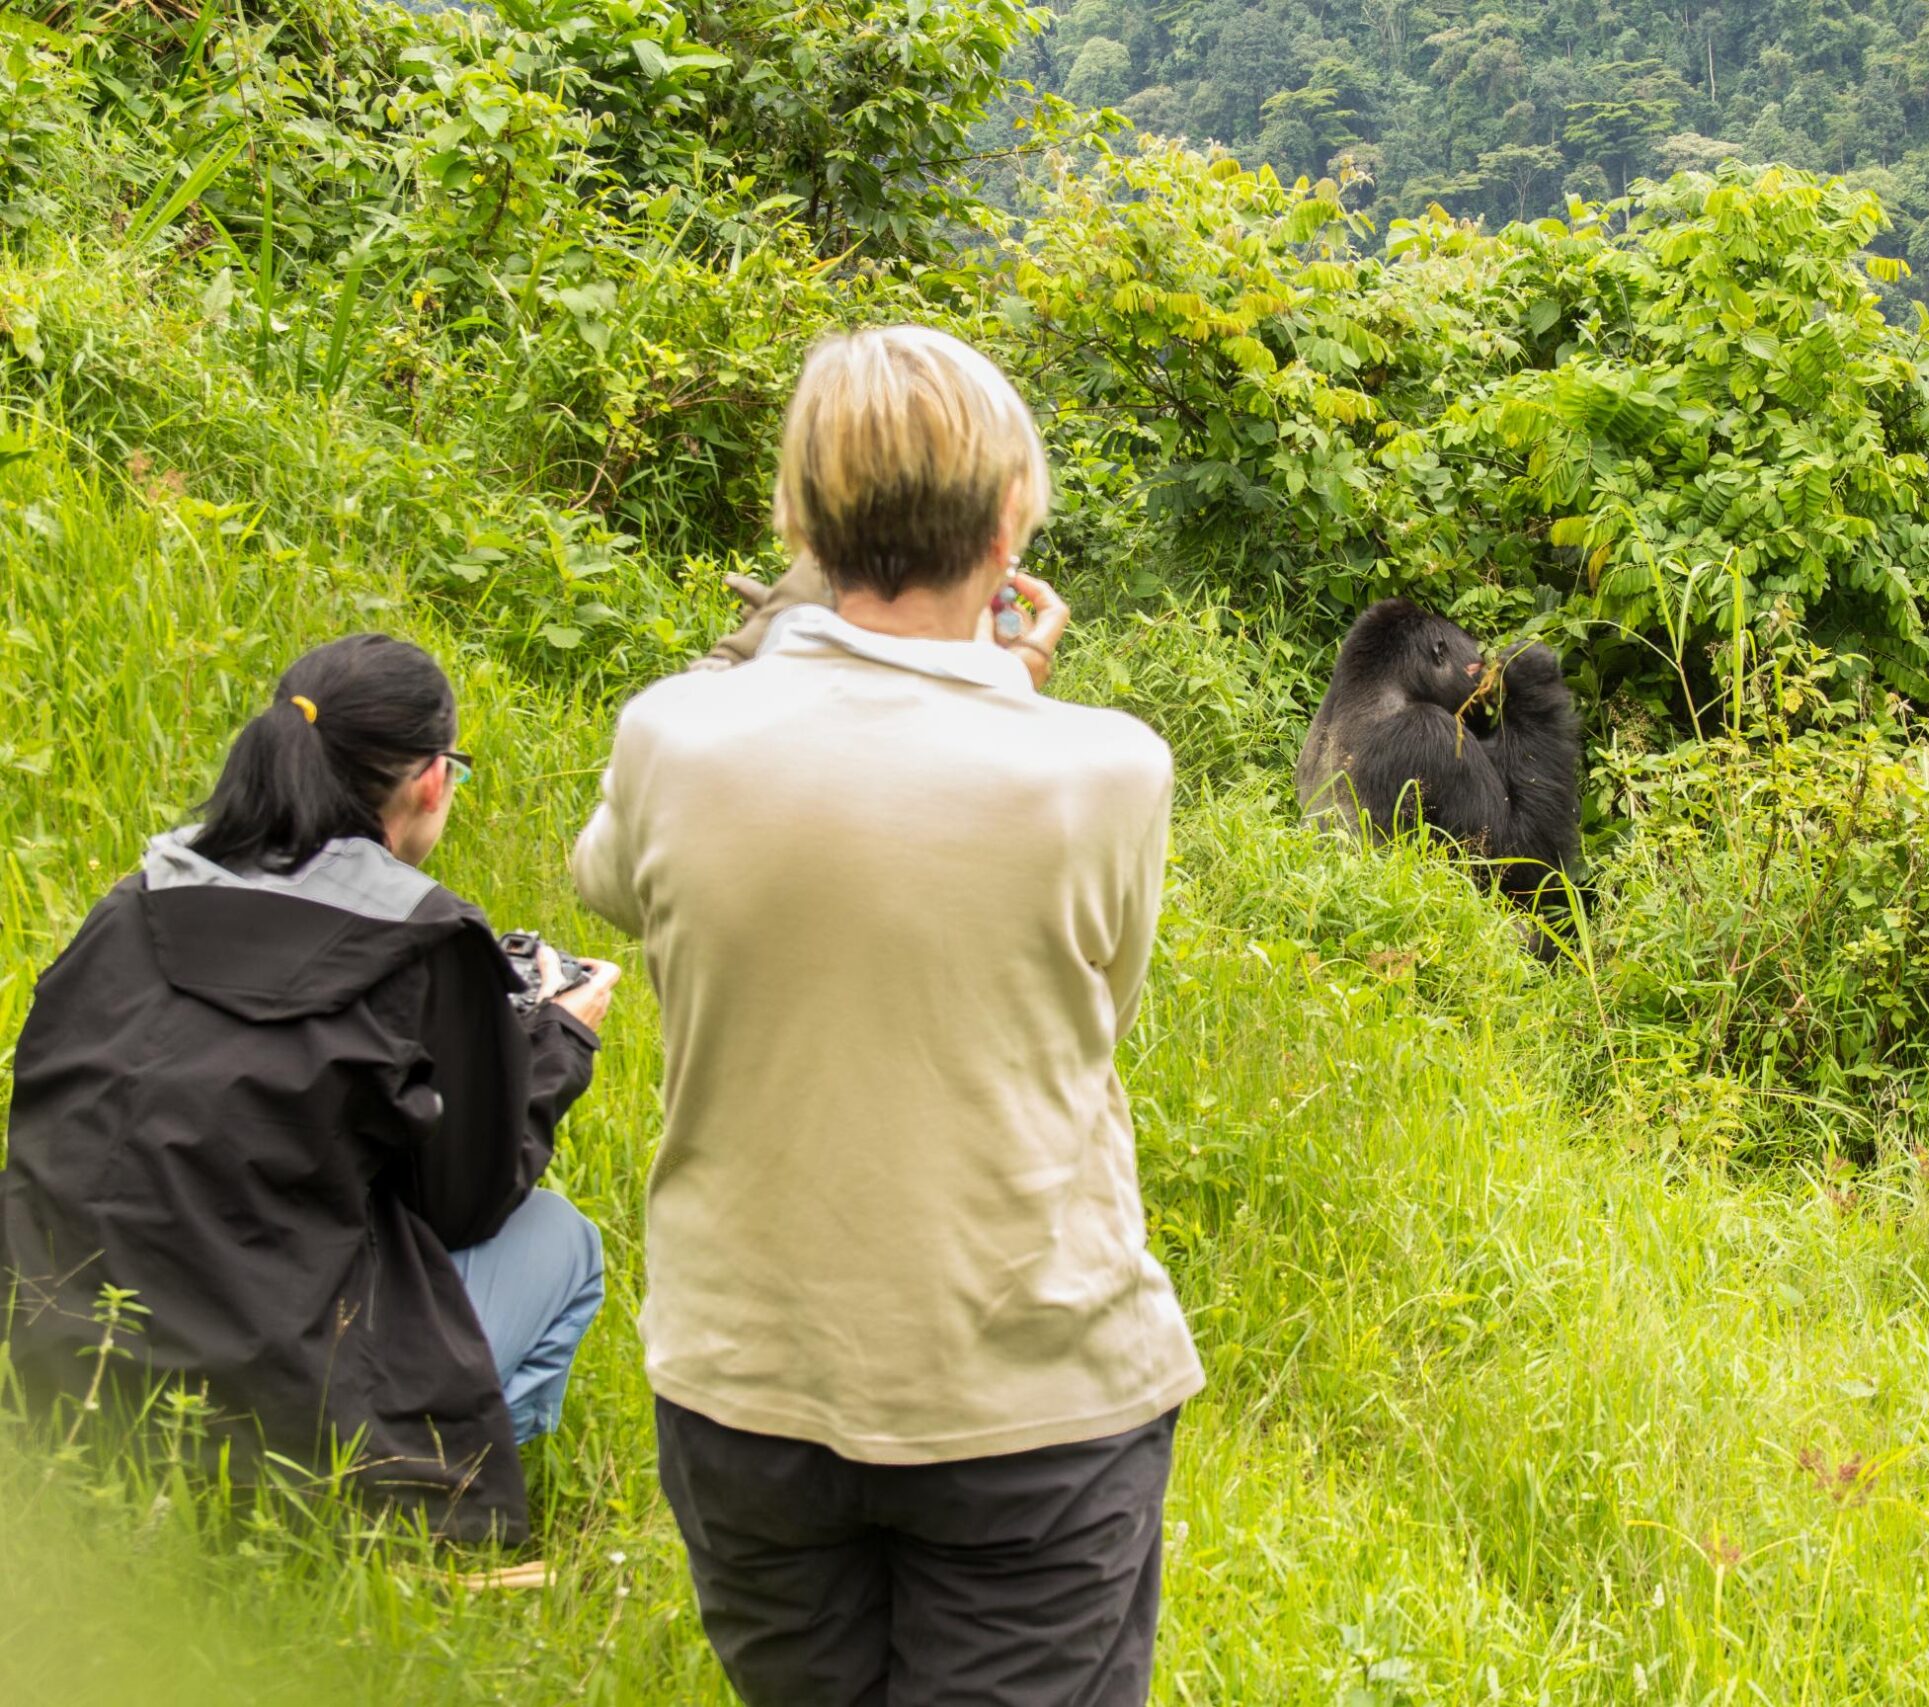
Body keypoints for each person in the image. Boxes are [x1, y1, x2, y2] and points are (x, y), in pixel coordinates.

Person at [574, 325, 1200, 1706]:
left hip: (748, 1383)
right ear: (1009, 523)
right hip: (1028, 1395)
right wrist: (1006, 689)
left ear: (798, 524)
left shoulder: (673, 733)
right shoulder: (1106, 769)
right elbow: (1092, 1000)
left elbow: (608, 877)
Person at [0, 634, 620, 1548]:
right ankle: (402, 1516)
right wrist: (561, 1036)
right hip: (277, 1413)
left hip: (54, 1372)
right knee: (560, 1242)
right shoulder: (429, 939)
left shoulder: (133, 901)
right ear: (431, 781)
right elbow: (466, 1202)